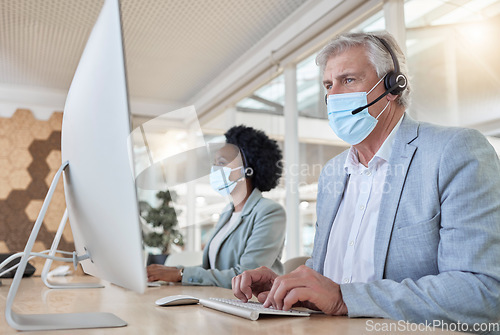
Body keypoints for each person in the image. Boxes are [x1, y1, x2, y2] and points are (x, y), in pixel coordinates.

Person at [232, 31, 500, 331]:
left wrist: (346, 299)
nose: (333, 97)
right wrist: (288, 282)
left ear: (393, 86)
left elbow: (482, 291)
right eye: (328, 85)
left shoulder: (455, 151)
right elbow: (330, 271)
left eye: (348, 80)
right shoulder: (333, 172)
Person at [147, 125, 286, 288]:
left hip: (254, 303)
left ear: (247, 170)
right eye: (214, 164)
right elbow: (213, 270)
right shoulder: (228, 212)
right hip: (220, 300)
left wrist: (180, 274)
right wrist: (172, 272)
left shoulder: (269, 211)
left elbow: (247, 276)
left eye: (221, 163)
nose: (214, 170)